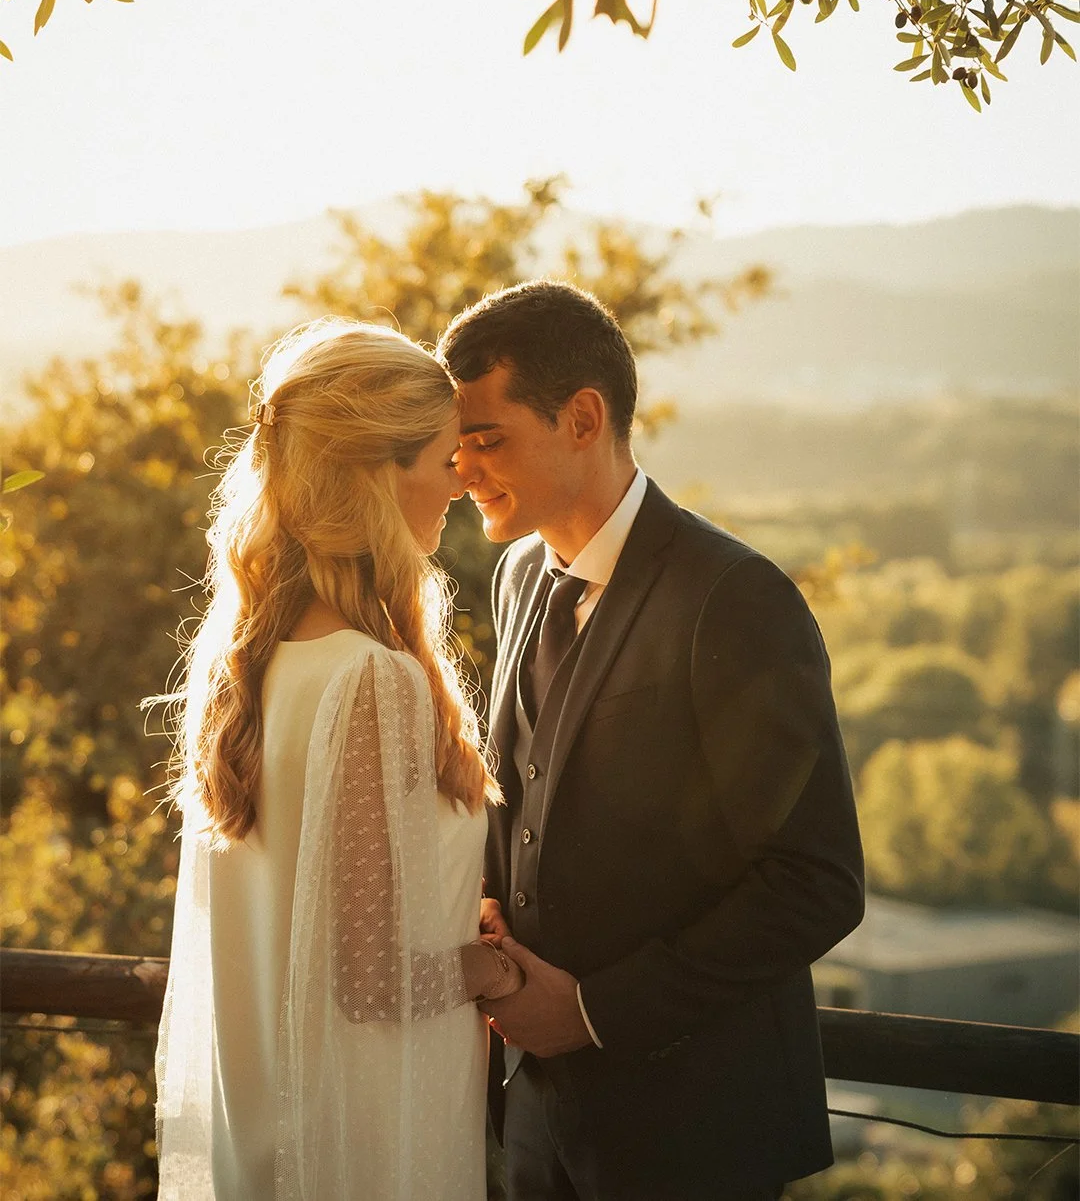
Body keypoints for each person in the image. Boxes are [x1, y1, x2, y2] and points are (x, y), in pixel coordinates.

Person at [437, 282, 865, 1201]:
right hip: (540, 1126)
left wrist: (591, 1011)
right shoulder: (517, 574)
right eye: (455, 444)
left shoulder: (736, 597)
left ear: (584, 418)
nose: (460, 469)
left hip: (694, 1137)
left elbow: (816, 881)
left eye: (487, 438)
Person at [153, 317, 522, 1201]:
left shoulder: (244, 659)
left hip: (271, 1127)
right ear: (379, 473)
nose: (459, 487)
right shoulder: (370, 677)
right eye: (442, 461)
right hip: (361, 1144)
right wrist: (492, 968)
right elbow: (369, 980)